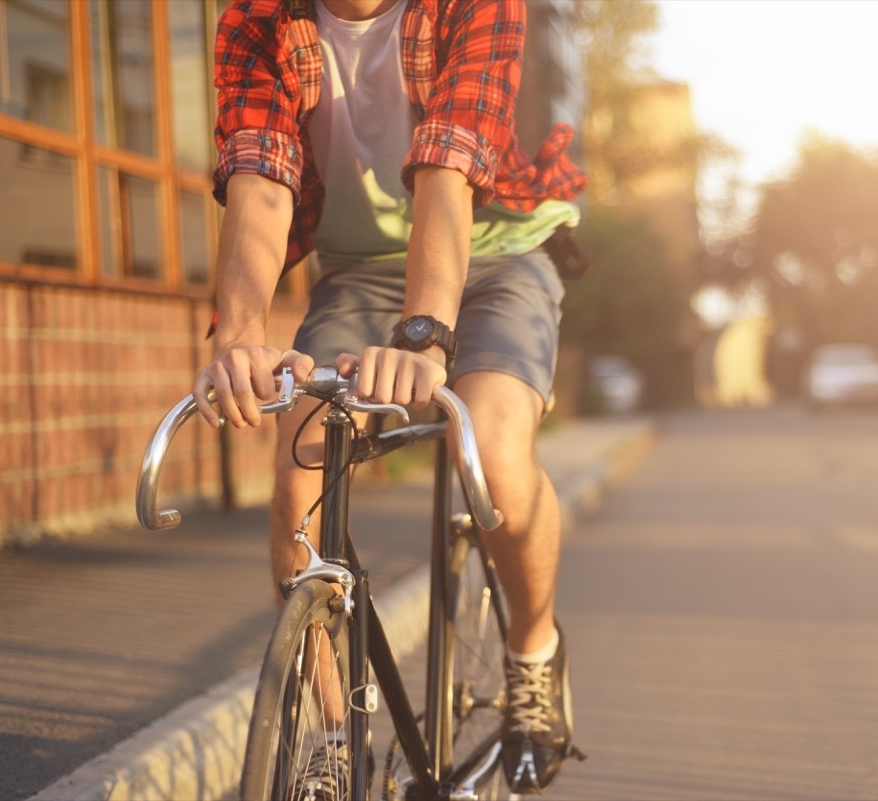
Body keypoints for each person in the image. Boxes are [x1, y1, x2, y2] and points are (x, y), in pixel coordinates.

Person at [190, 0, 587, 794]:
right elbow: (260, 183)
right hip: (360, 270)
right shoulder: (258, 19)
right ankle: (332, 741)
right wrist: (238, 337)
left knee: (495, 452)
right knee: (297, 480)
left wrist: (424, 337)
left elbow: (448, 168)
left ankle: (534, 653)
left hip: (500, 251)